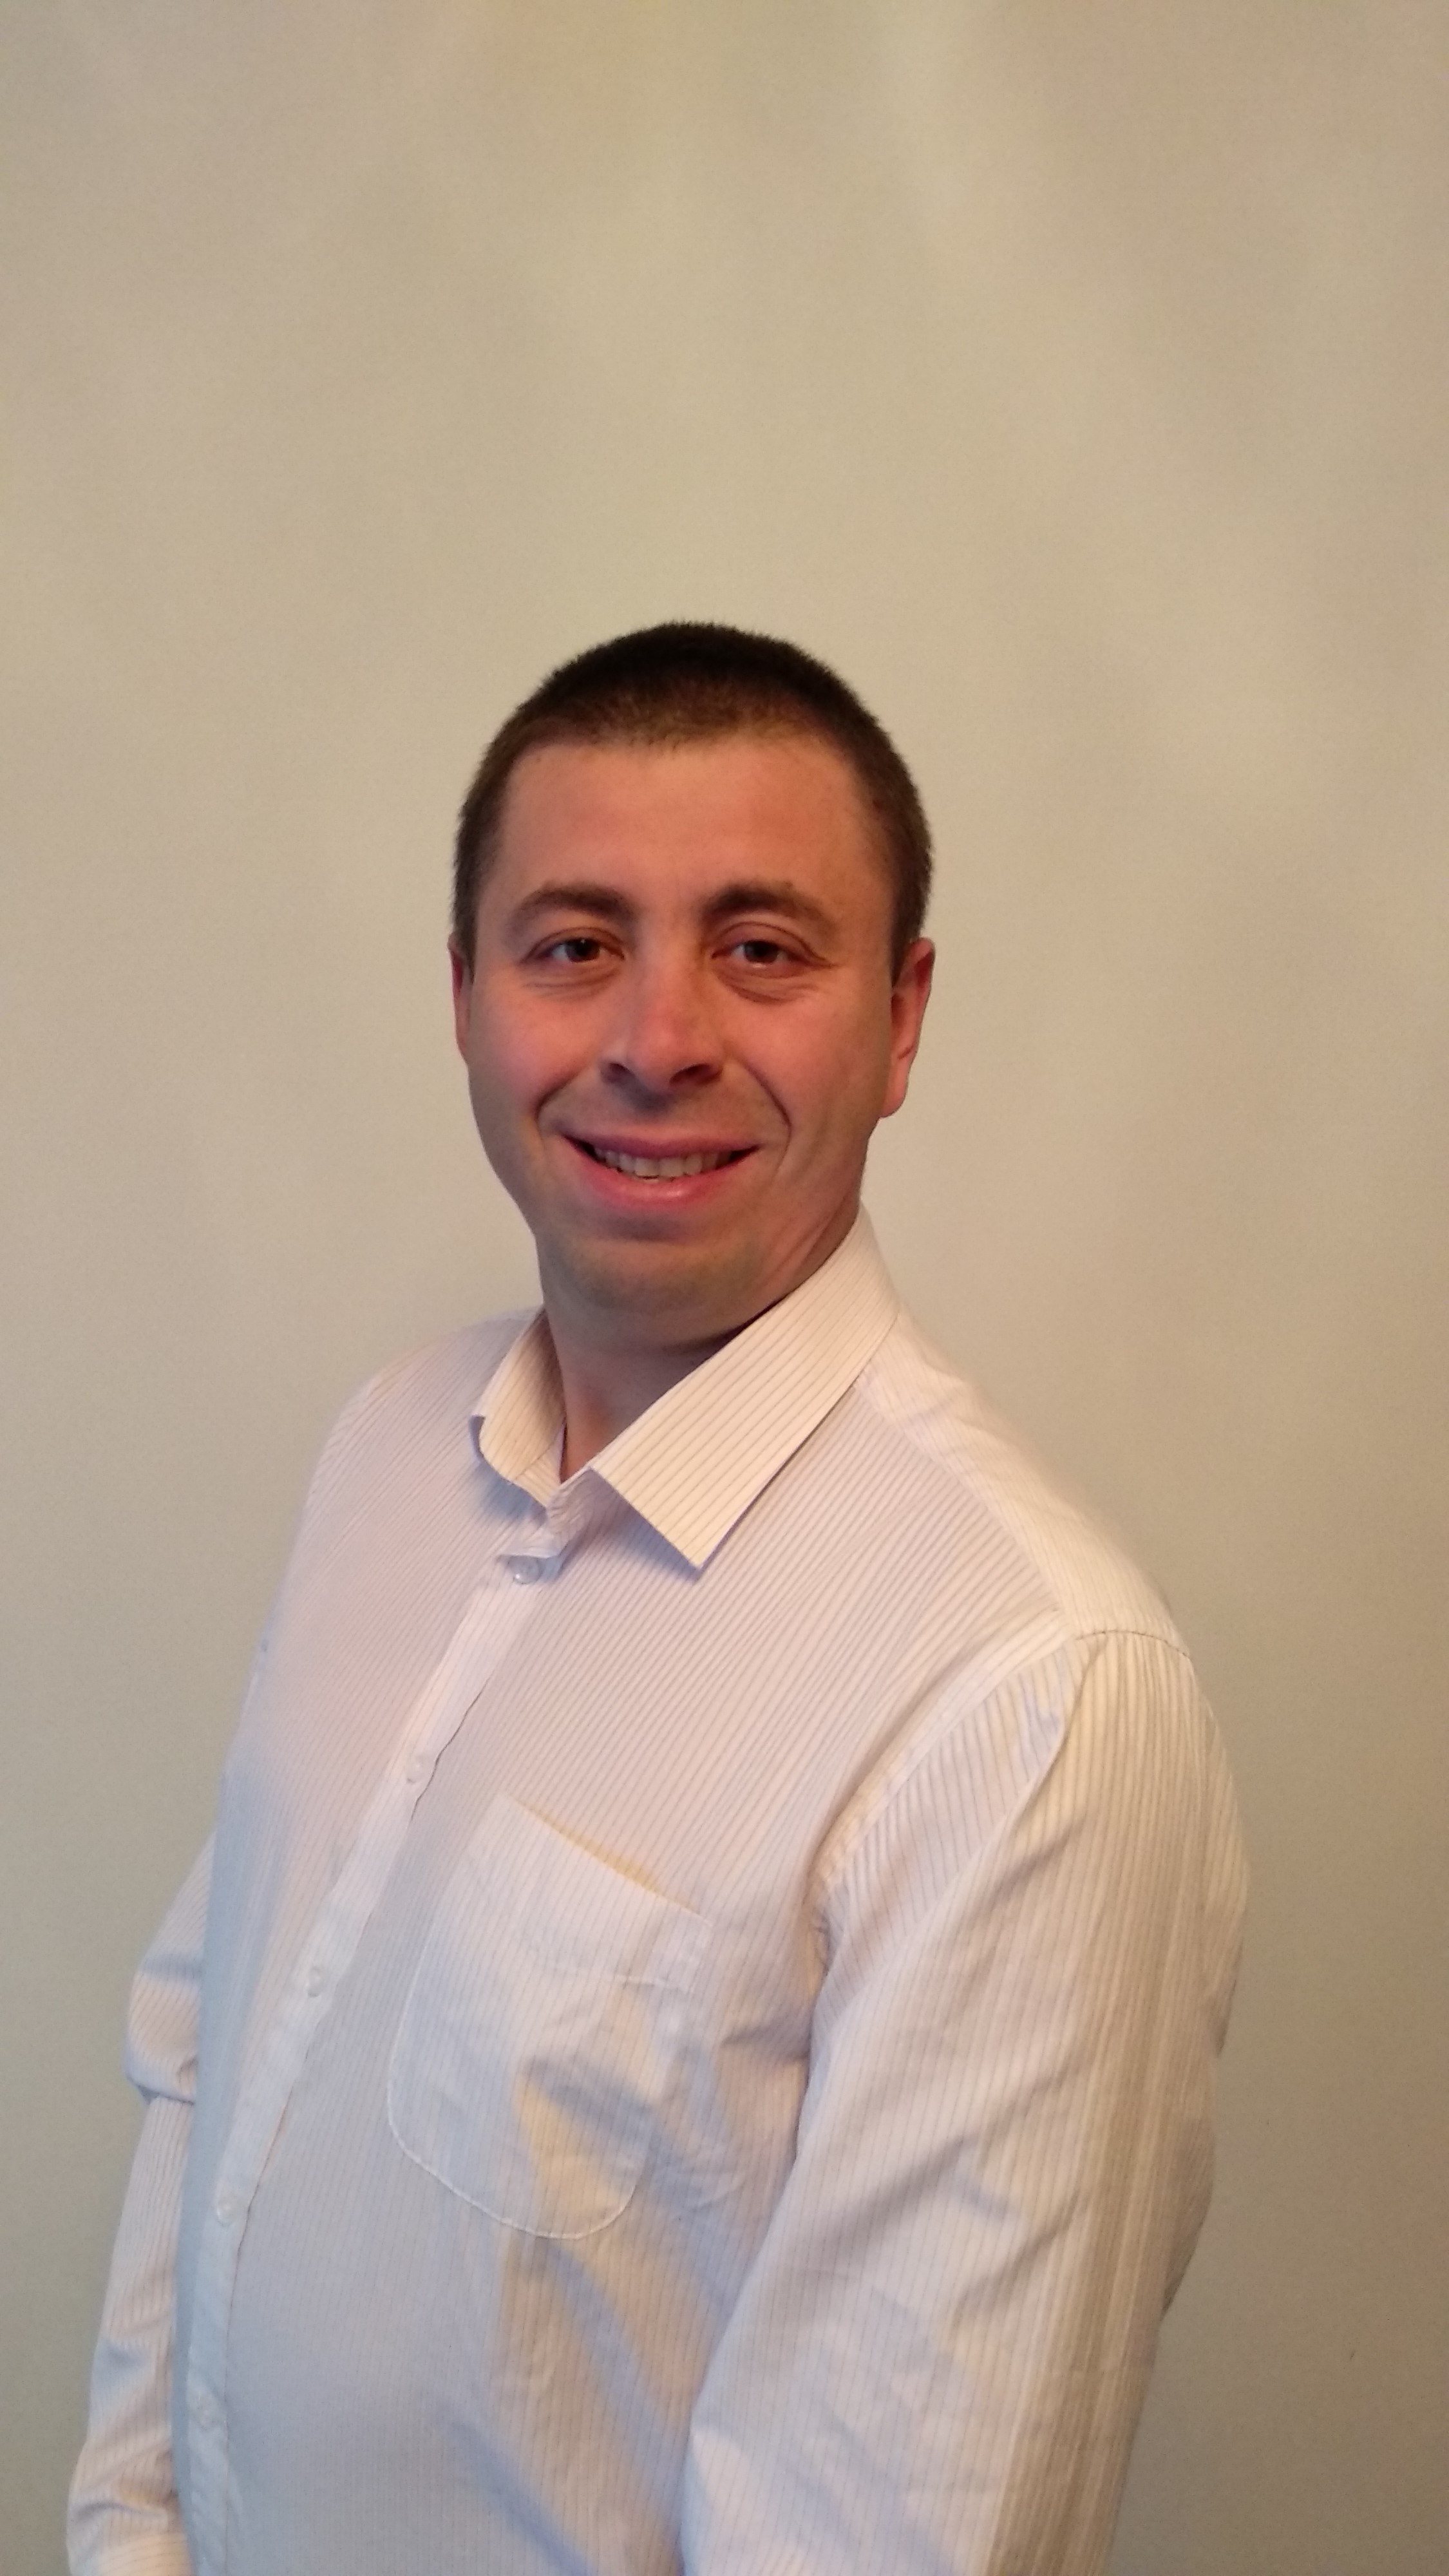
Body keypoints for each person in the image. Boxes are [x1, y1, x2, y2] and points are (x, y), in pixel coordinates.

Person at [70, 623, 1245, 2576]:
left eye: (761, 949)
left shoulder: (1030, 1695)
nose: (655, 1037)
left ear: (902, 1016)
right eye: (572, 944)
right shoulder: (386, 1446)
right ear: (466, 997)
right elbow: (207, 2075)